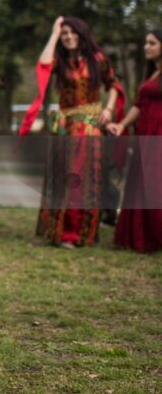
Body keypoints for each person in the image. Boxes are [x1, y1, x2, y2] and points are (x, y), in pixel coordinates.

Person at [31, 16, 119, 248]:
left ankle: (78, 233)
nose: (69, 38)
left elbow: (114, 87)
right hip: (65, 126)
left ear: (82, 34)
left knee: (83, 179)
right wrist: (53, 34)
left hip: (89, 127)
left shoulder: (98, 59)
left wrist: (109, 110)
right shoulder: (60, 60)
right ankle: (59, 232)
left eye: (72, 33)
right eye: (65, 34)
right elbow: (43, 65)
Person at [108, 29, 162, 253]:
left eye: (152, 43)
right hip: (146, 134)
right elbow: (138, 105)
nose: (146, 47)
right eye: (146, 43)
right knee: (142, 182)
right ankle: (142, 237)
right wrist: (121, 125)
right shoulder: (152, 73)